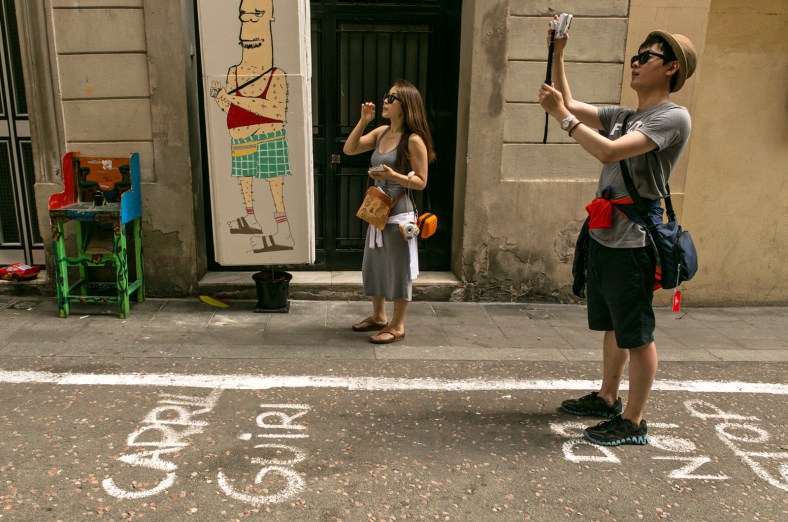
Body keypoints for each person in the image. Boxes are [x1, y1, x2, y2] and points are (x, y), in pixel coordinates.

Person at [538, 22, 697, 446]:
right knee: (612, 324)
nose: (637, 63)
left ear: (671, 68)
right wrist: (559, 52)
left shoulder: (672, 117)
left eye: (647, 57)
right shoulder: (626, 115)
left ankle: (633, 420)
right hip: (605, 233)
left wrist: (562, 117)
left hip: (635, 241)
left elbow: (607, 150)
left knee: (637, 332)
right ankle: (608, 397)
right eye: (636, 56)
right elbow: (570, 102)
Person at [343, 80, 436, 344]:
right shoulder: (382, 132)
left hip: (399, 216)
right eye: (386, 95)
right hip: (377, 211)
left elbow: (421, 181)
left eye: (391, 97)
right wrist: (363, 121)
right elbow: (349, 149)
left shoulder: (413, 140)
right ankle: (379, 316)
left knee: (398, 269)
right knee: (374, 266)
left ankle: (397, 326)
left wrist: (393, 174)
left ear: (405, 105)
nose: (385, 100)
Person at [211, 0, 295, 254]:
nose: (248, 21)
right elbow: (233, 110)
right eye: (244, 15)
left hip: (269, 137)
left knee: (274, 183)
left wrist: (232, 97)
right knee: (245, 179)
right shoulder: (233, 72)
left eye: (256, 14)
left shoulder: (276, 74)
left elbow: (276, 111)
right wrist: (222, 100)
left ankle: (284, 231)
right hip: (240, 138)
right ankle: (251, 217)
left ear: (268, 17)